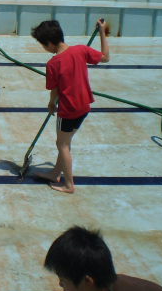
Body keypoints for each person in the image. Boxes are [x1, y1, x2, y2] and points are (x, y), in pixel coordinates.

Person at [31, 19, 109, 194]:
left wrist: (51, 103)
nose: (44, 48)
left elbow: (54, 89)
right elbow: (105, 57)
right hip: (84, 107)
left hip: (67, 110)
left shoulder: (53, 63)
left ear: (49, 43)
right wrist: (102, 32)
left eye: (43, 45)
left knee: (62, 145)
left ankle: (68, 184)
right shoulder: (81, 50)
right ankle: (55, 173)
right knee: (66, 142)